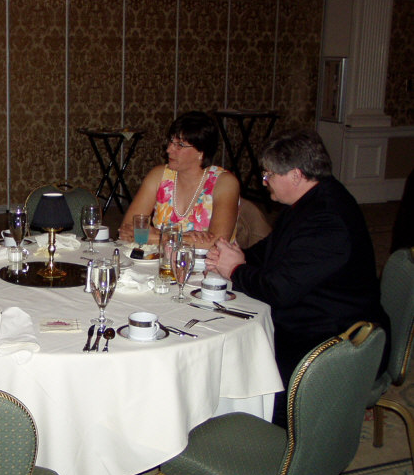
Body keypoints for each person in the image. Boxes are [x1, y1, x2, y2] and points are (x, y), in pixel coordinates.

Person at [205, 129, 389, 427]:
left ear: (295, 175)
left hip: (334, 342)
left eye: (268, 175)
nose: (264, 182)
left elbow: (279, 290)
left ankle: (270, 442)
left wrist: (236, 271)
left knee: (243, 367)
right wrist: (238, 256)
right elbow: (274, 248)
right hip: (316, 321)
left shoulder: (327, 220)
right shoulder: (313, 198)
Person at [118, 111, 239, 249]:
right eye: (171, 141)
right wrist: (182, 238)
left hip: (208, 261)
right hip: (161, 259)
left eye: (179, 145)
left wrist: (158, 237)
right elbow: (127, 229)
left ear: (201, 151)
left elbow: (217, 242)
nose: (169, 149)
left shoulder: (225, 183)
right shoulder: (159, 176)